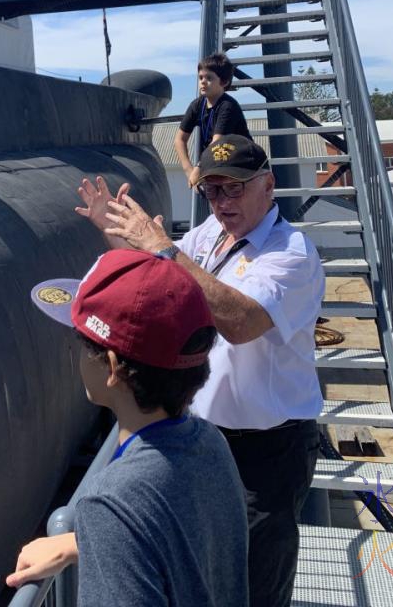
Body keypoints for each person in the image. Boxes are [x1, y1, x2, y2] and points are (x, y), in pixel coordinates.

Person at [78, 135, 324, 607]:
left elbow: (241, 322)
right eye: (211, 191)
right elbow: (157, 278)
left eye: (233, 189)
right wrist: (113, 230)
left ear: (268, 186)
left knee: (256, 583)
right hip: (206, 438)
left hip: (267, 451)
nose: (221, 203)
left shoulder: (292, 252)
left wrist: (166, 248)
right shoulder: (208, 235)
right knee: (208, 572)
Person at [6, 248, 249, 607]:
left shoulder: (112, 502)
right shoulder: (211, 443)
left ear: (112, 367)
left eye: (80, 341)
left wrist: (104, 532)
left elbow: (132, 513)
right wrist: (85, 542)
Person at [174, 51, 251, 188]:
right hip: (221, 167)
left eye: (209, 78)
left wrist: (198, 169)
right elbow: (180, 139)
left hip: (244, 170)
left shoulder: (227, 106)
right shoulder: (197, 105)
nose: (203, 81)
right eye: (200, 77)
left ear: (224, 82)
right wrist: (189, 170)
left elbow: (216, 143)